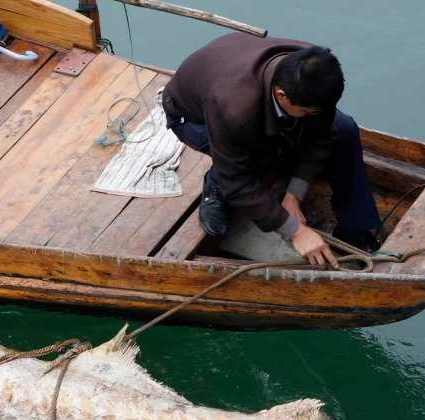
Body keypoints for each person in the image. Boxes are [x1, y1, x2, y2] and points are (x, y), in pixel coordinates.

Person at [161, 33, 381, 270]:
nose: (317, 114)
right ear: (281, 95)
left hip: (239, 82)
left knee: (344, 128)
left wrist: (293, 195)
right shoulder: (233, 109)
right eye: (311, 111)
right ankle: (216, 181)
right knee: (261, 153)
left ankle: (355, 229)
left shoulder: (315, 69)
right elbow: (238, 183)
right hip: (193, 119)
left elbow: (324, 133)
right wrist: (295, 231)